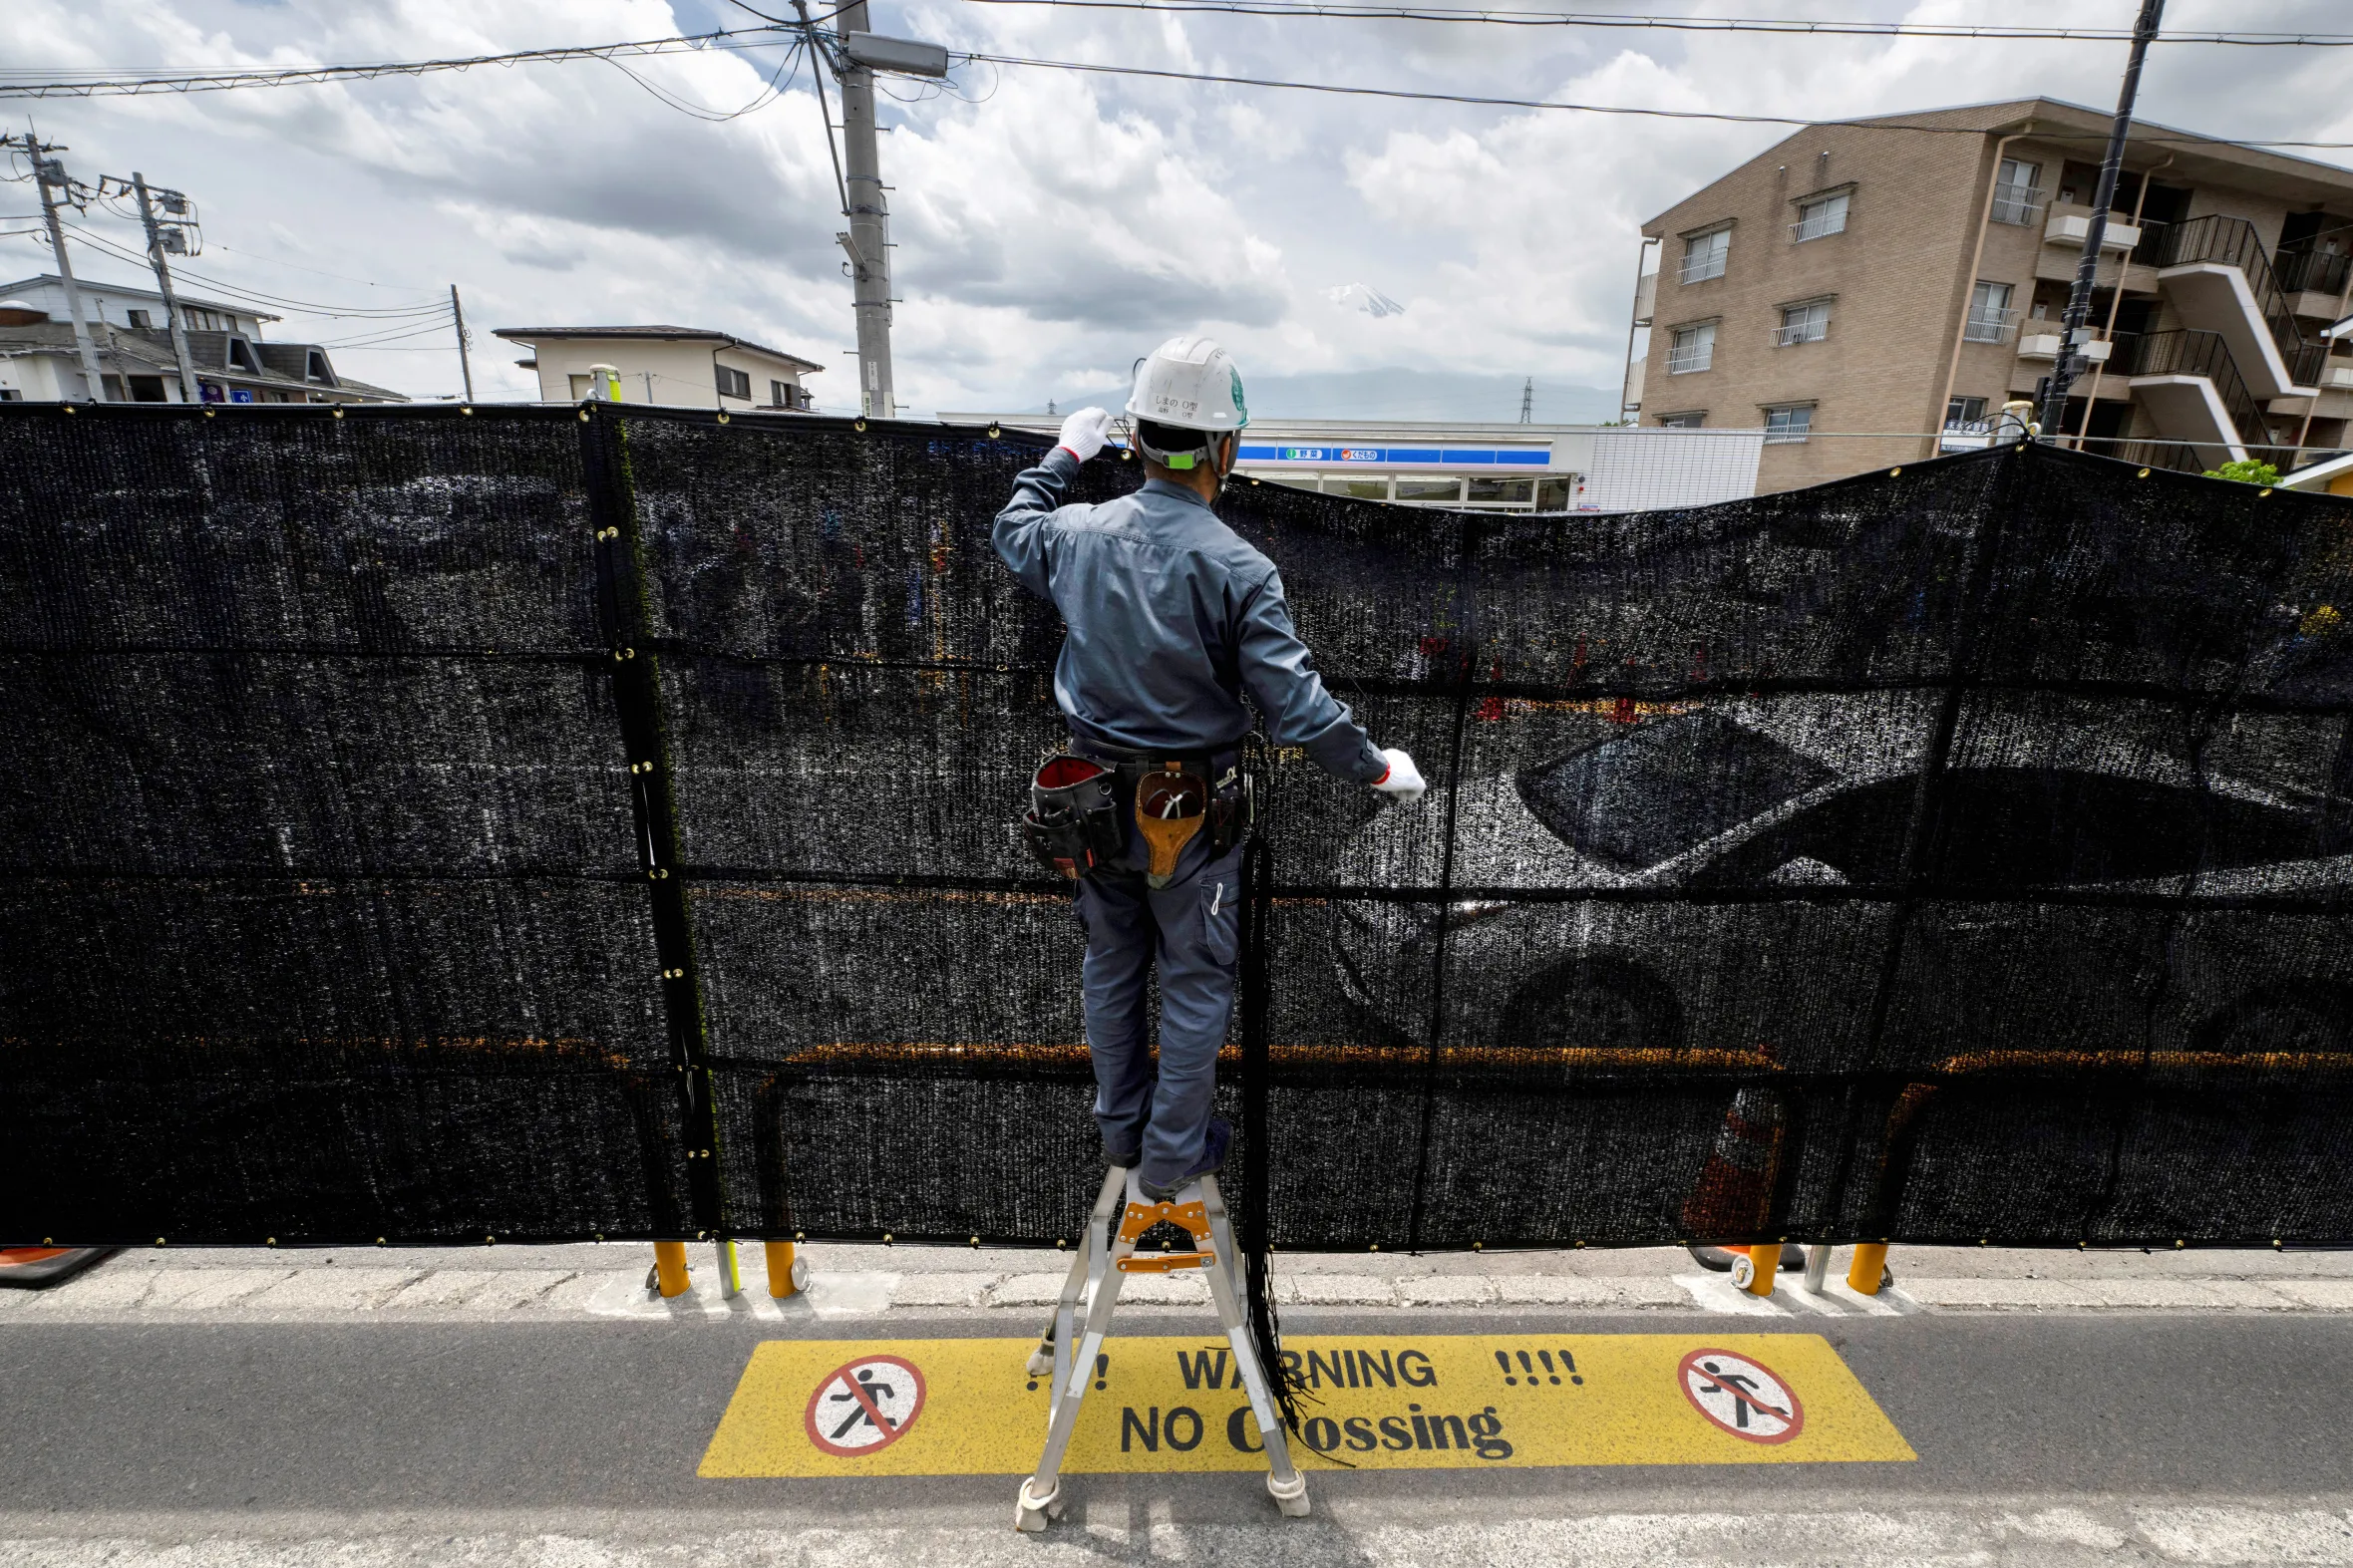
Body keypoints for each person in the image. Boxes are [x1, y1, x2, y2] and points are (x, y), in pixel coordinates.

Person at [994, 334, 1425, 1200]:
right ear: (1224, 449)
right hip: (1188, 811)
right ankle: (1169, 1158)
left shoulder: (1077, 533)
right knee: (1193, 980)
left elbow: (1012, 528)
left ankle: (1125, 1132)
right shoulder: (1238, 567)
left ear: (1137, 439)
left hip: (1090, 803)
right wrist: (1378, 768)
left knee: (1112, 963)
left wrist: (1063, 456)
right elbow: (1297, 708)